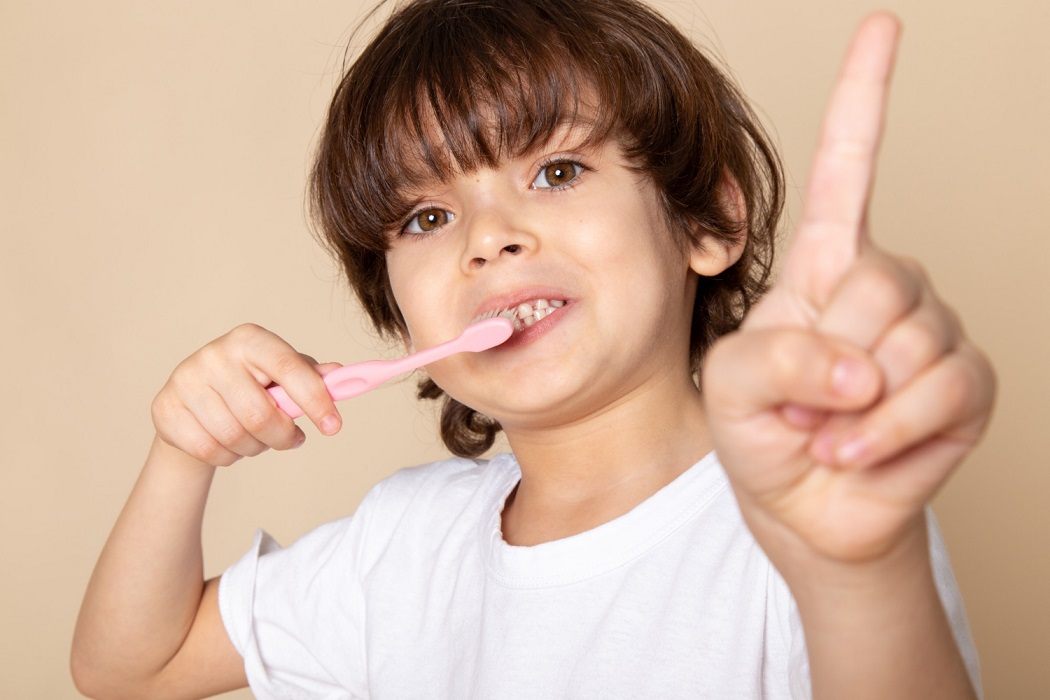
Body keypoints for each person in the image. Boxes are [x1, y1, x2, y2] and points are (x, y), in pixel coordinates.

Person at [71, 0, 995, 698]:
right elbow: (131, 668)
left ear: (705, 220)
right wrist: (182, 454)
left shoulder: (809, 526)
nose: (488, 237)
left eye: (556, 171)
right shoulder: (401, 546)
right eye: (428, 216)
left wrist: (862, 575)